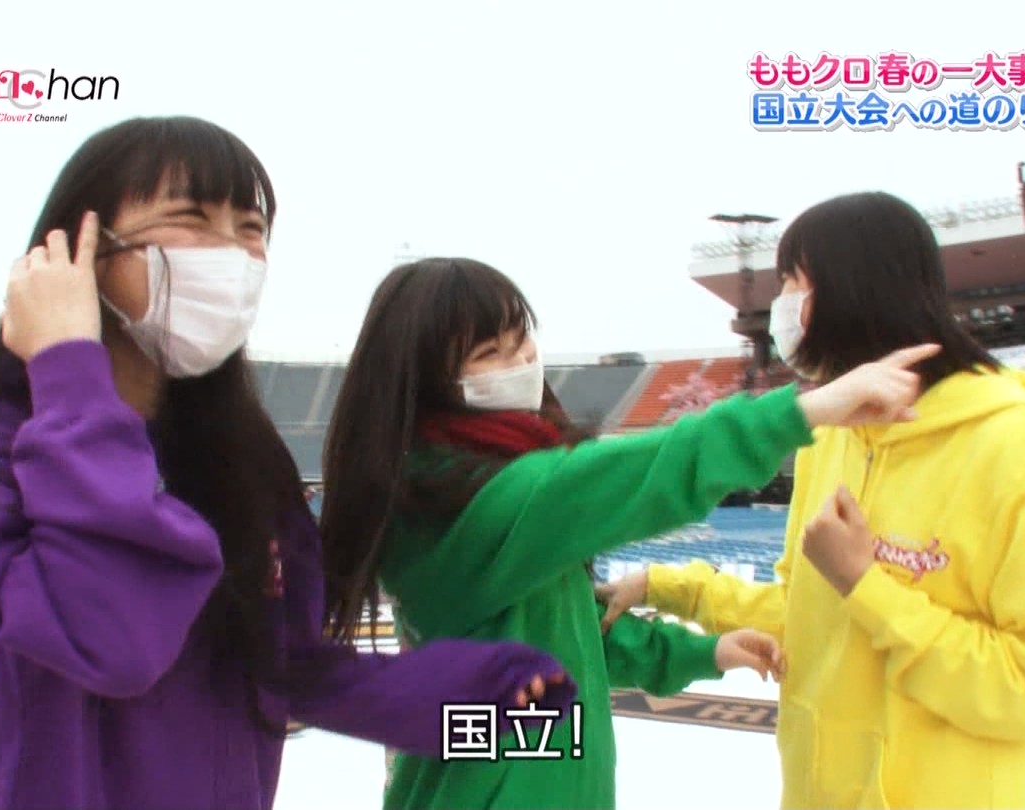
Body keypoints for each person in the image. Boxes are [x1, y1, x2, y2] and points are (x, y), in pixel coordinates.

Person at [0, 116, 575, 810]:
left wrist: (475, 698)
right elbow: (111, 639)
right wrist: (68, 370)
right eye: (192, 218)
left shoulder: (243, 456)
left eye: (251, 230)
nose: (232, 254)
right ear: (80, 250)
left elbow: (286, 667)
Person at [317, 257, 938, 809]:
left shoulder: (491, 489)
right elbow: (636, 473)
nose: (523, 360)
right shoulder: (467, 507)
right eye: (490, 353)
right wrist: (807, 409)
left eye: (521, 337)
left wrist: (705, 653)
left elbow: (567, 640)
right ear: (428, 380)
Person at [598, 191, 1025, 809]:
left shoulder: (1016, 450)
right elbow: (809, 616)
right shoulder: (833, 436)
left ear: (852, 291)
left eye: (791, 285)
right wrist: (667, 587)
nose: (780, 309)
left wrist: (866, 584)